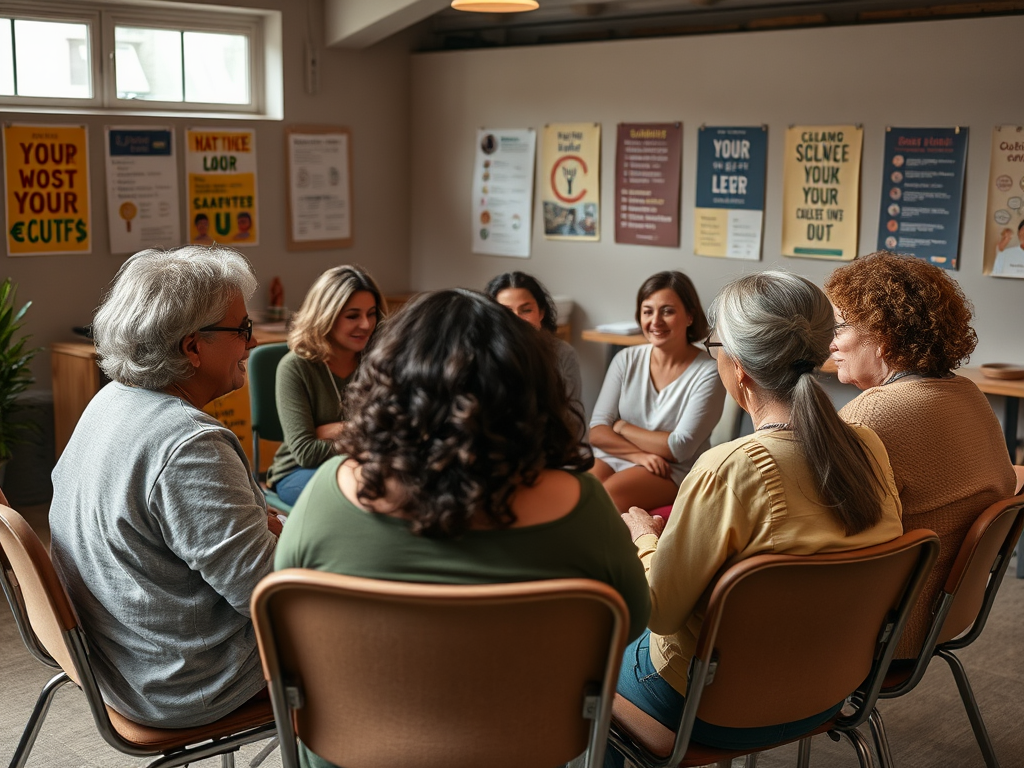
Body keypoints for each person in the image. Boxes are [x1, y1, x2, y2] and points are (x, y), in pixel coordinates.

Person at [275, 289, 651, 768]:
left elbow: (283, 638)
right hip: (527, 748)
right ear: (527, 389)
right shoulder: (586, 504)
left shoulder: (330, 491)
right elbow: (633, 623)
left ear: (389, 384)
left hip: (357, 752)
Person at [610, 271, 903, 762]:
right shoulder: (868, 446)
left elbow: (660, 611)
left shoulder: (729, 468)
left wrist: (643, 535)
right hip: (828, 691)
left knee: (576, 651)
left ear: (738, 365)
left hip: (712, 708)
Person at [49, 245, 278, 728]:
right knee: (382, 636)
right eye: (241, 330)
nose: (251, 344)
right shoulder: (190, 445)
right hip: (188, 680)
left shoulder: (111, 400)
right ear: (192, 347)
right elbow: (269, 594)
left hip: (123, 660)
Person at [825, 251, 1016, 658]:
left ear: (884, 335)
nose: (830, 341)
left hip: (881, 632)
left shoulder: (872, 412)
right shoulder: (968, 393)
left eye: (839, 326)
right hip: (944, 615)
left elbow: (818, 532)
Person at [589, 271, 726, 512]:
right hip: (621, 455)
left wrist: (621, 427)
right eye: (647, 311)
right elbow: (597, 432)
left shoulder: (709, 371)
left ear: (690, 316)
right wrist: (638, 455)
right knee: (582, 489)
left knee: (608, 497)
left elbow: (678, 448)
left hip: (673, 468)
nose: (656, 322)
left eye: (667, 311)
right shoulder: (625, 359)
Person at [267, 265, 387, 505]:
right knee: (361, 498)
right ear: (326, 316)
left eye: (371, 313)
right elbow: (306, 453)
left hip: (366, 466)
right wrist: (364, 433)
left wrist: (333, 430)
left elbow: (393, 431)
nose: (366, 324)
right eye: (353, 316)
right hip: (297, 472)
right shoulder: (295, 367)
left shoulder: (379, 361)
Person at [484, 271, 584, 434]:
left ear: (541, 312)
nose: (517, 318)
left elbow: (574, 420)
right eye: (507, 311)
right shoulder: (482, 354)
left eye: (526, 310)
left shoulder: (563, 353)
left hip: (551, 446)